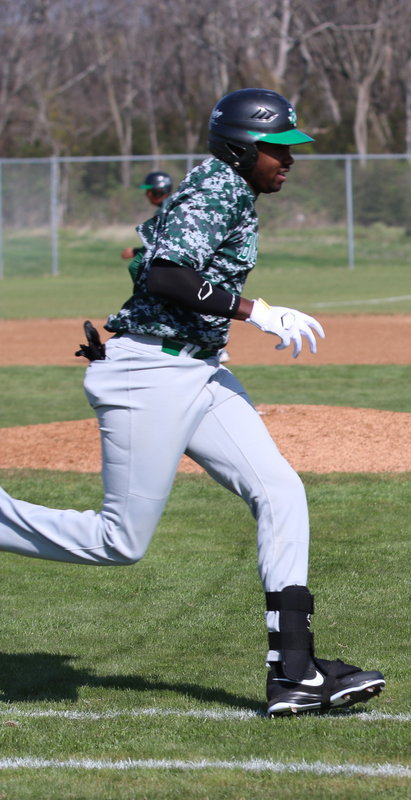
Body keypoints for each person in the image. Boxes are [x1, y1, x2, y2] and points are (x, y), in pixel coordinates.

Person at [0, 88, 385, 715]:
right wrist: (255, 309)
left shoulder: (232, 188)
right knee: (119, 541)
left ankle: (294, 672)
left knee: (281, 491)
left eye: (290, 148)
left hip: (197, 371)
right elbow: (167, 275)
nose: (288, 159)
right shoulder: (217, 187)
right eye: (275, 148)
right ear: (239, 147)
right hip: (149, 371)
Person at [120, 170, 173, 265]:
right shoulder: (173, 205)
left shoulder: (165, 211)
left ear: (160, 191)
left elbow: (160, 245)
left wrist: (135, 252)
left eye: (150, 191)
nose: (147, 194)